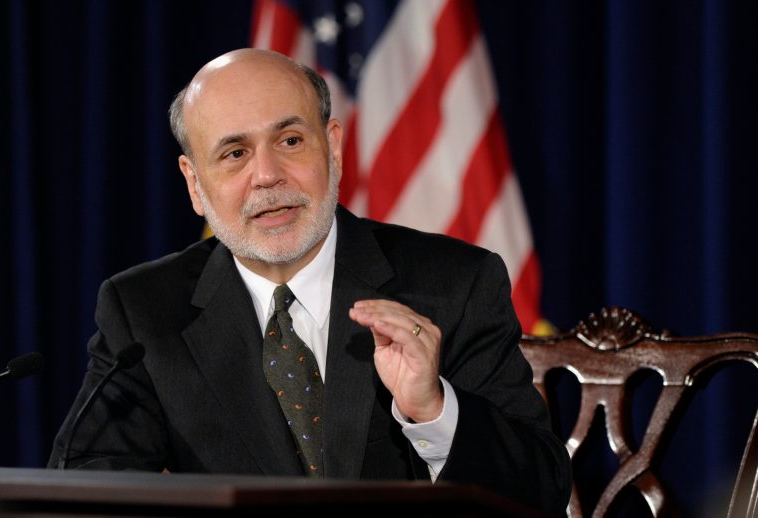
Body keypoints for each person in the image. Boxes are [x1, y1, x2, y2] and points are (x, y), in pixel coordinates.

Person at [48, 48, 571, 513]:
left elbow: (541, 491)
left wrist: (434, 409)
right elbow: (88, 482)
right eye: (234, 154)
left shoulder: (454, 284)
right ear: (194, 183)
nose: (268, 175)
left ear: (333, 147)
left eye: (291, 140)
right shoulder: (144, 310)